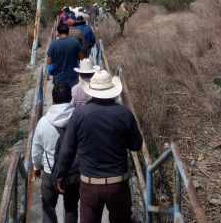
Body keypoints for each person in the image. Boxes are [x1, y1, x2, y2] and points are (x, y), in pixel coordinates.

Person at [54, 69, 143, 223]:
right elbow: (136, 145)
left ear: (92, 90)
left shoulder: (79, 114)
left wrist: (60, 174)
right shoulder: (124, 113)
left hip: (90, 185)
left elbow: (67, 150)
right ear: (112, 91)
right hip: (118, 184)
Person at [32, 83, 79, 223]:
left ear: (53, 99)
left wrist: (36, 167)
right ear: (70, 98)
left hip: (49, 172)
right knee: (71, 208)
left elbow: (36, 149)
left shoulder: (43, 122)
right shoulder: (77, 119)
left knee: (48, 209)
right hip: (73, 173)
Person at [48, 22, 84, 88]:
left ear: (58, 33)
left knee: (60, 97)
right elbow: (82, 58)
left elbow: (49, 63)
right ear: (68, 32)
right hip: (73, 78)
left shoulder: (53, 45)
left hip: (59, 79)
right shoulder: (75, 42)